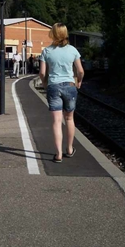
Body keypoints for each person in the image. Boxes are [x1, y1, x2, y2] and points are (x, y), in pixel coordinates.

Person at [39, 23, 85, 164]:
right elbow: (80, 70)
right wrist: (79, 81)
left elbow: (42, 73)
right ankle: (69, 149)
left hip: (53, 86)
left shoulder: (46, 51)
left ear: (53, 33)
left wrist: (46, 84)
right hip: (70, 86)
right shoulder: (72, 50)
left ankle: (58, 154)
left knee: (56, 121)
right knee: (69, 119)